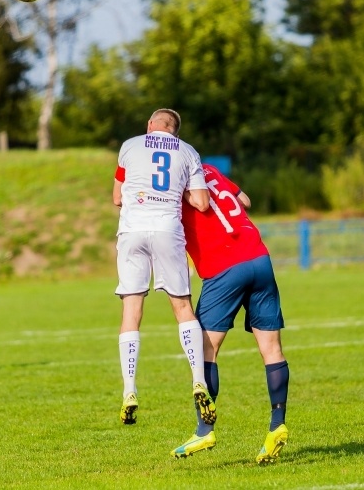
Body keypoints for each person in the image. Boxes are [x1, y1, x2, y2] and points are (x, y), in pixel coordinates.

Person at [171, 163, 289, 464]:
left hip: (223, 267)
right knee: (272, 348)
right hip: (259, 258)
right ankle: (277, 425)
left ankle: (204, 429)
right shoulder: (207, 168)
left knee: (205, 349)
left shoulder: (171, 181)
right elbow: (245, 201)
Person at [112, 109, 215, 426]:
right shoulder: (188, 152)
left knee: (132, 310)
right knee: (182, 307)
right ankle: (198, 380)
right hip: (168, 229)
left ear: (150, 126)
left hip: (132, 230)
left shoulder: (129, 146)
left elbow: (117, 197)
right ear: (176, 132)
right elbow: (201, 202)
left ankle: (129, 390)